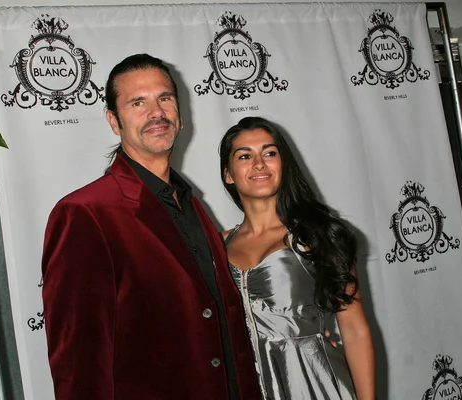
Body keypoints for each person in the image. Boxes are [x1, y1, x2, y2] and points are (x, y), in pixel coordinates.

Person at [41, 54, 261, 400]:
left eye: (164, 98)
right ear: (114, 122)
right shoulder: (85, 213)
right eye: (137, 102)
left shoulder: (190, 203)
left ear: (180, 114)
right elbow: (78, 361)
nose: (156, 112)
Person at [219, 116, 376, 400]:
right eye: (245, 155)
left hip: (314, 386)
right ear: (228, 173)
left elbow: (354, 329)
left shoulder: (317, 236)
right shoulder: (216, 246)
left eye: (269, 153)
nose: (259, 164)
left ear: (283, 165)